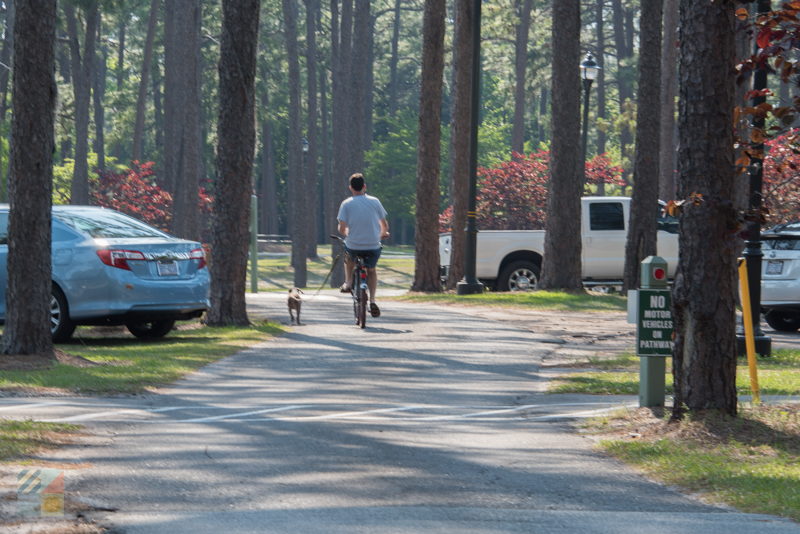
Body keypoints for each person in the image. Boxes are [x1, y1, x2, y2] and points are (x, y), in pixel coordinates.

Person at [337, 173, 390, 317]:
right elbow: (384, 225)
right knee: (371, 270)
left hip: (354, 245)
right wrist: (381, 234)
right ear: (364, 187)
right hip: (373, 245)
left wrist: (349, 234)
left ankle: (348, 282)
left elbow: (341, 229)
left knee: (348, 259)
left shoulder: (346, 204)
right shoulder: (375, 201)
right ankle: (372, 300)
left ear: (350, 188)